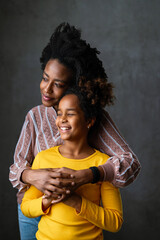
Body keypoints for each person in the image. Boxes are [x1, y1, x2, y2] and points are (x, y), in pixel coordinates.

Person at [9, 23, 140, 240]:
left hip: (80, 220)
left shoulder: (94, 119)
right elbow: (16, 169)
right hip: (34, 210)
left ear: (74, 85)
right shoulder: (35, 116)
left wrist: (89, 175)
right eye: (44, 78)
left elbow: (130, 164)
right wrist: (34, 176)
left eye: (58, 84)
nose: (46, 89)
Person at [21, 88, 123, 240]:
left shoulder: (103, 164)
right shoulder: (44, 158)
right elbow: (26, 207)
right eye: (59, 113)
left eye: (70, 114)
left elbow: (115, 222)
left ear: (89, 121)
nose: (62, 119)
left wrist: (76, 201)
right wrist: (47, 200)